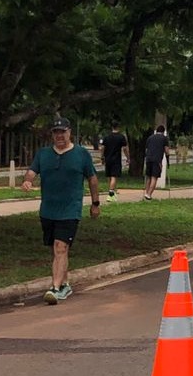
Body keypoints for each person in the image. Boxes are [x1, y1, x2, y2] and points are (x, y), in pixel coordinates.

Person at [21, 117, 100, 304]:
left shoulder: (81, 154)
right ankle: (65, 284)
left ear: (69, 132)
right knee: (56, 250)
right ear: (52, 135)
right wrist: (27, 181)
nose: (60, 136)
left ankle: (55, 288)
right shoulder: (43, 154)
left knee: (61, 247)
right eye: (56, 132)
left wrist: (95, 204)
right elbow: (32, 171)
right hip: (48, 210)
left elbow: (93, 179)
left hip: (70, 209)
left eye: (63, 132)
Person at [100, 123, 127, 200]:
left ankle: (112, 192)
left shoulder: (107, 137)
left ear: (112, 127)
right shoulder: (121, 137)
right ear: (119, 127)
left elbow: (102, 147)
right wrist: (128, 157)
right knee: (114, 176)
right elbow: (125, 148)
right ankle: (111, 194)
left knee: (109, 176)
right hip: (116, 159)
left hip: (108, 158)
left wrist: (102, 157)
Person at [143, 124, 169, 200]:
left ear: (156, 131)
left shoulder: (150, 138)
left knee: (148, 177)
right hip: (157, 160)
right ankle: (149, 194)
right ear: (163, 132)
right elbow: (166, 150)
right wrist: (167, 156)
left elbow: (146, 150)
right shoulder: (164, 138)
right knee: (154, 177)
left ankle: (146, 193)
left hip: (148, 159)